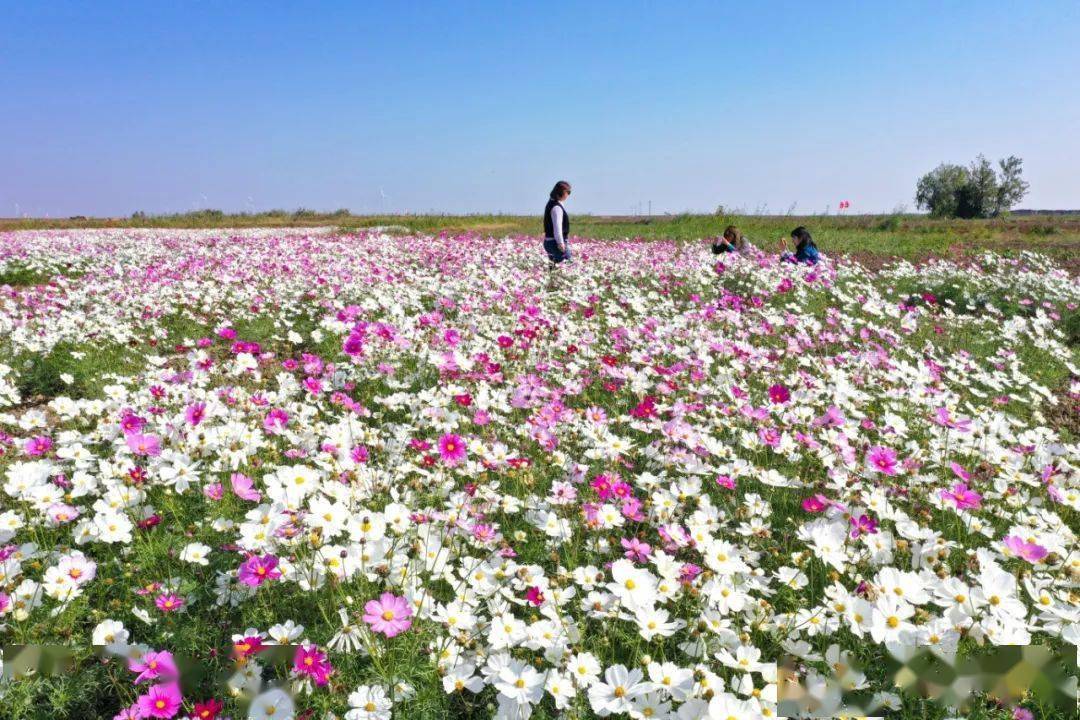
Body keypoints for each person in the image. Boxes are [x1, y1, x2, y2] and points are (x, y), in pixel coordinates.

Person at [543, 181, 572, 265]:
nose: (568, 195)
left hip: (548, 242)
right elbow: (557, 227)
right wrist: (560, 243)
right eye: (568, 192)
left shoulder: (551, 203)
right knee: (568, 266)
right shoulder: (556, 207)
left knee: (553, 268)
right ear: (562, 192)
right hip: (555, 243)